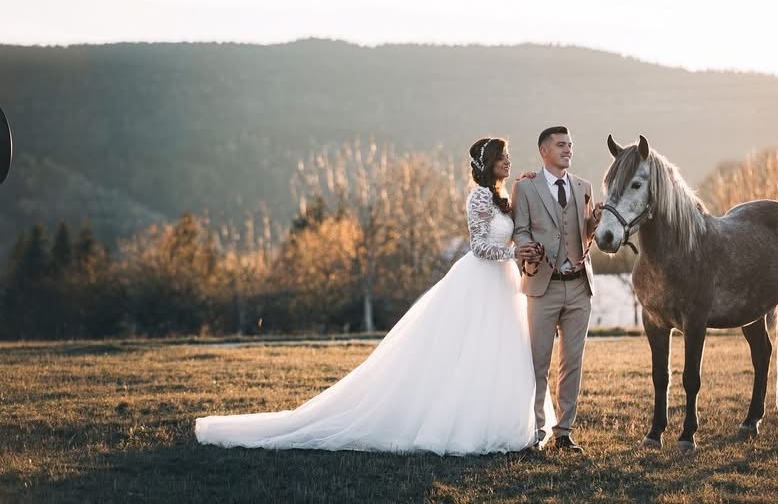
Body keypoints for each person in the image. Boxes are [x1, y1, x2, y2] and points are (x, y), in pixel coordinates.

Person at [195, 137, 555, 454]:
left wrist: (524, 247)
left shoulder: (502, 195)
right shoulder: (478, 197)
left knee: (503, 352)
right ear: (488, 163)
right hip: (479, 281)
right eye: (502, 156)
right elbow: (478, 247)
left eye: (507, 156)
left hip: (505, 284)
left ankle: (506, 421)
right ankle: (464, 425)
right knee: (469, 352)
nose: (508, 161)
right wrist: (514, 254)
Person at [512, 126, 601, 453]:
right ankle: (536, 431)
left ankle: (563, 432)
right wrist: (527, 246)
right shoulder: (525, 188)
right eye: (561, 145)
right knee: (538, 361)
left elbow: (586, 231)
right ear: (544, 151)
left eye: (570, 145)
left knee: (572, 362)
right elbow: (519, 230)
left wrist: (596, 221)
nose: (568, 150)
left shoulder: (584, 187)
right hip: (542, 286)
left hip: (579, 287)